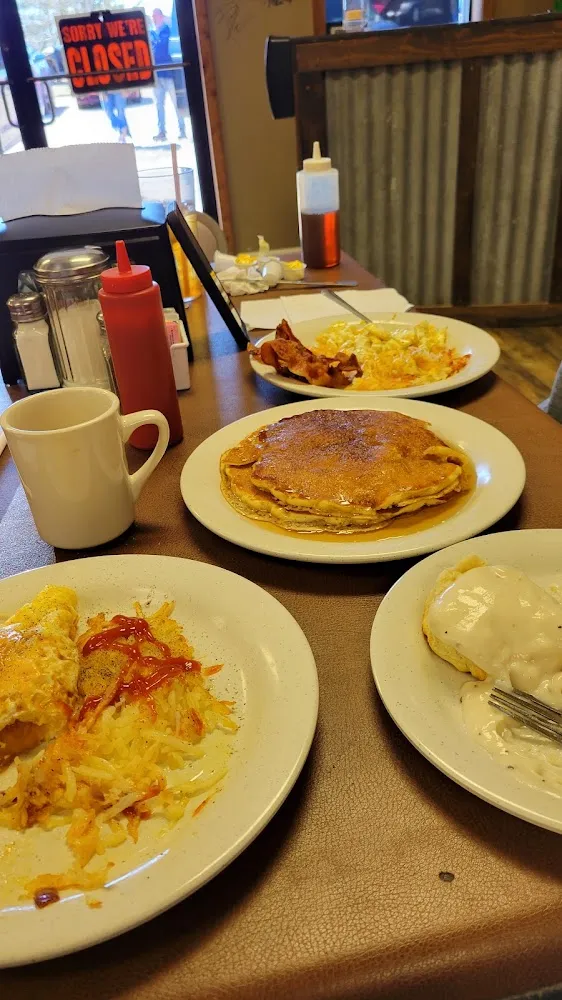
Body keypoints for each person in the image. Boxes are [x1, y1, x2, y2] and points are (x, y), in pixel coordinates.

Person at [150, 8, 186, 142]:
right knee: (159, 105)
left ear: (160, 16)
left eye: (156, 16)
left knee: (176, 103)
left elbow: (161, 47)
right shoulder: (152, 33)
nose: (154, 19)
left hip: (169, 73)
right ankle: (161, 132)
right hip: (157, 74)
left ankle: (182, 130)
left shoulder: (167, 31)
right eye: (152, 16)